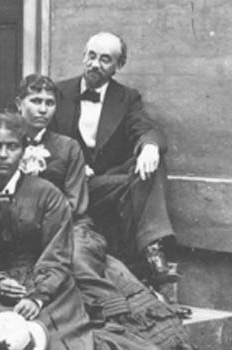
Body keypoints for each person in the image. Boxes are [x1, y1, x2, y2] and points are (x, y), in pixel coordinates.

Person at [15, 75, 193, 350]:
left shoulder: (66, 146)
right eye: (35, 101)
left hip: (70, 225)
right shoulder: (6, 144)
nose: (42, 109)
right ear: (19, 104)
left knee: (78, 257)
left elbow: (75, 203)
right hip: (24, 228)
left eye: (49, 103)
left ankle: (118, 312)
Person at [0, 112, 158, 350]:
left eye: (11, 147)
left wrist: (38, 296)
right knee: (1, 338)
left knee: (55, 340)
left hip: (50, 290)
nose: (3, 155)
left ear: (22, 152)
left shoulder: (47, 194)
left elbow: (58, 252)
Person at [49, 32, 180, 288]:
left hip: (104, 185)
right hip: (70, 185)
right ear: (83, 56)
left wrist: (151, 147)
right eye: (91, 56)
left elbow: (147, 128)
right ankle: (151, 251)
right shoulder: (58, 92)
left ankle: (153, 248)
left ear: (119, 66)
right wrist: (72, 164)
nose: (95, 64)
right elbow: (44, 137)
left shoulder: (126, 98)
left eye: (105, 59)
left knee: (151, 162)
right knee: (138, 185)